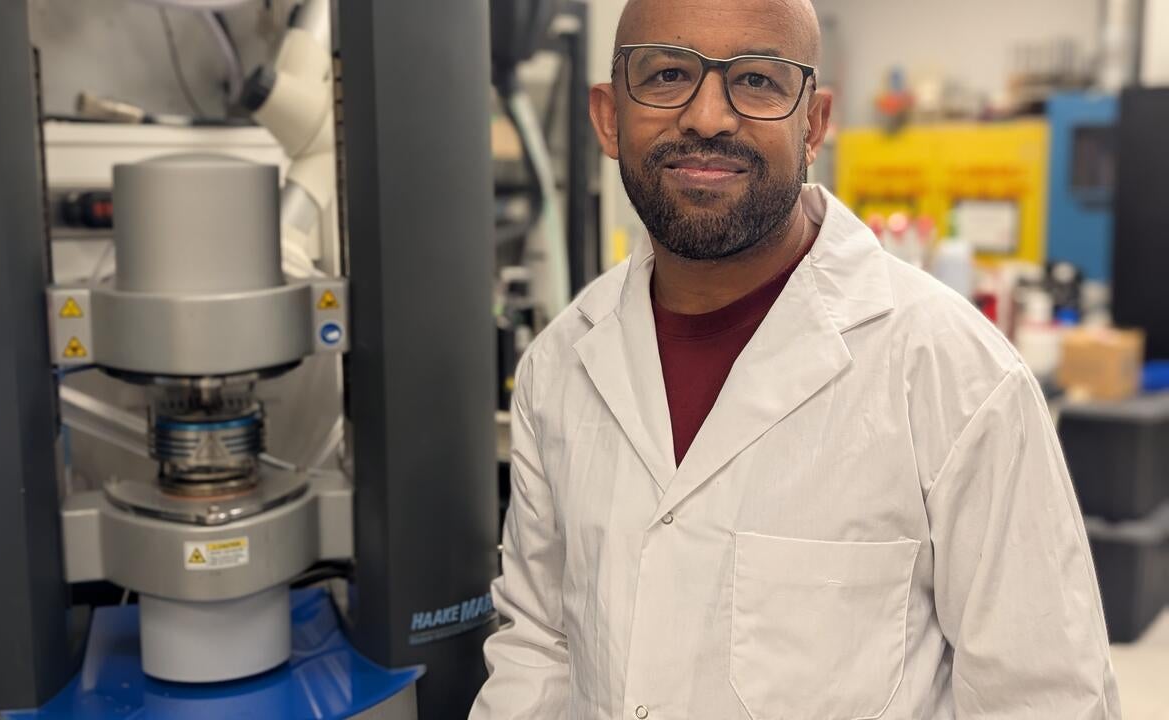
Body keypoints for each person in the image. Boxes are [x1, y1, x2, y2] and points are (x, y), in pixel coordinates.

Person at [469, 0, 1122, 717]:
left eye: (757, 80)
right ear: (607, 116)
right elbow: (540, 642)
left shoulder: (956, 377)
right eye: (665, 75)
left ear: (813, 123)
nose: (709, 116)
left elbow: (1044, 697)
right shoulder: (558, 367)